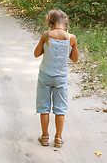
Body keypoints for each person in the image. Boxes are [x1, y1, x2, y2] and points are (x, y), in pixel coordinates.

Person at [33, 9, 78, 148]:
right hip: (61, 77)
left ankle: (45, 136)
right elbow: (75, 59)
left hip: (45, 75)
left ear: (50, 23)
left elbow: (36, 54)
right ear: (65, 23)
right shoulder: (71, 38)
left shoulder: (46, 35)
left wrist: (45, 44)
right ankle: (58, 138)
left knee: (44, 107)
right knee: (60, 108)